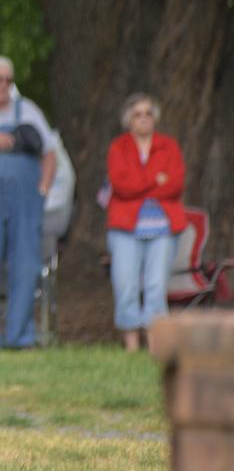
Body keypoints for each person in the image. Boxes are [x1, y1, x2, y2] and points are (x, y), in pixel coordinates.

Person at [0, 55, 57, 350]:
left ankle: (21, 335)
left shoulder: (27, 109)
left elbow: (50, 152)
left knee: (26, 263)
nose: (4, 86)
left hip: (24, 201)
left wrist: (43, 187)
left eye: (8, 80)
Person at [105, 93, 185, 351]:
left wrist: (141, 182)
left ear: (155, 118)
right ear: (129, 119)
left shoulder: (168, 146)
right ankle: (131, 345)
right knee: (125, 284)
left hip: (163, 228)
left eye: (148, 113)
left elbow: (175, 184)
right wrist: (154, 180)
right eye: (137, 114)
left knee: (156, 285)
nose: (143, 119)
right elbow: (121, 185)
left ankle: (154, 345)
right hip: (125, 227)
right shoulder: (118, 147)